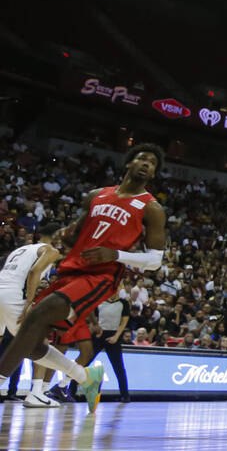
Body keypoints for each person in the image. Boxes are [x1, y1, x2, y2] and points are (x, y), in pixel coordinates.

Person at [0, 143, 168, 413]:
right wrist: (68, 234)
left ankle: (1, 378)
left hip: (101, 275)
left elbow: (155, 260)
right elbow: (78, 231)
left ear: (153, 174)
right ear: (129, 163)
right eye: (143, 159)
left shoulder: (152, 208)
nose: (147, 164)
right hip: (72, 268)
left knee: (38, 314)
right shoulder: (96, 195)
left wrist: (115, 254)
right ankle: (85, 377)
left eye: (153, 163)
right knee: (28, 339)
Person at [0, 222, 62, 407]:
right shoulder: (51, 250)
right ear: (57, 236)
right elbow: (34, 272)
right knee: (39, 341)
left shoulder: (21, 250)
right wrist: (28, 302)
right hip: (14, 297)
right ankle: (36, 392)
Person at [92, 293, 131, 402]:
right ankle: (70, 390)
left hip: (114, 335)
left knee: (119, 367)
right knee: (84, 362)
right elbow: (94, 317)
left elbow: (124, 322)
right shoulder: (99, 300)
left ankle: (125, 395)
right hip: (99, 334)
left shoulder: (123, 303)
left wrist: (116, 336)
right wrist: (96, 329)